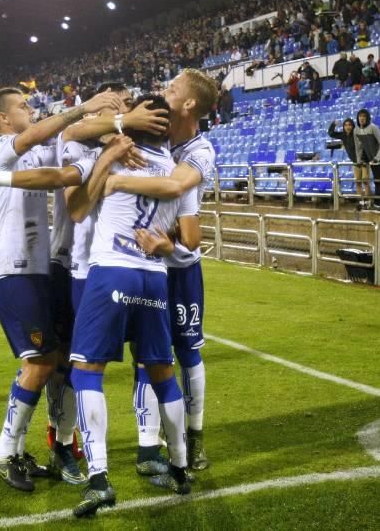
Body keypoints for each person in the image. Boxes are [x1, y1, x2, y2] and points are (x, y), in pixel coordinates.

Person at [0, 87, 121, 492]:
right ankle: (3, 451)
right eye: (23, 107)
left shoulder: (46, 147)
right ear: (4, 119)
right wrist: (84, 108)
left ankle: (23, 447)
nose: (31, 109)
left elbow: (65, 150)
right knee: (40, 363)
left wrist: (111, 122)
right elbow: (40, 136)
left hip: (39, 271)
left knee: (46, 359)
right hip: (11, 271)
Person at [68, 95, 199, 517]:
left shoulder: (118, 157)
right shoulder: (180, 171)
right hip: (155, 277)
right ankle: (180, 466)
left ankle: (100, 478)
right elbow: (189, 236)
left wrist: (109, 155)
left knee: (87, 370)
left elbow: (78, 208)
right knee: (161, 371)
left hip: (111, 271)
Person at [103, 68, 220, 474]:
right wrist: (119, 124)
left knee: (187, 351)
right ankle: (148, 445)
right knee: (148, 354)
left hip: (179, 263)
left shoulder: (200, 151)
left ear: (189, 103)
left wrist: (119, 183)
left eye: (172, 89)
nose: (162, 91)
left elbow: (175, 189)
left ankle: (195, 434)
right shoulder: (152, 134)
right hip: (144, 262)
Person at [353, 108, 380, 210]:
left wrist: (377, 158)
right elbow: (358, 147)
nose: (362, 118)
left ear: (367, 118)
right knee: (377, 180)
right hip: (371, 158)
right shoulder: (356, 130)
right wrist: (359, 160)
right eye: (360, 116)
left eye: (364, 116)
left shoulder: (373, 128)